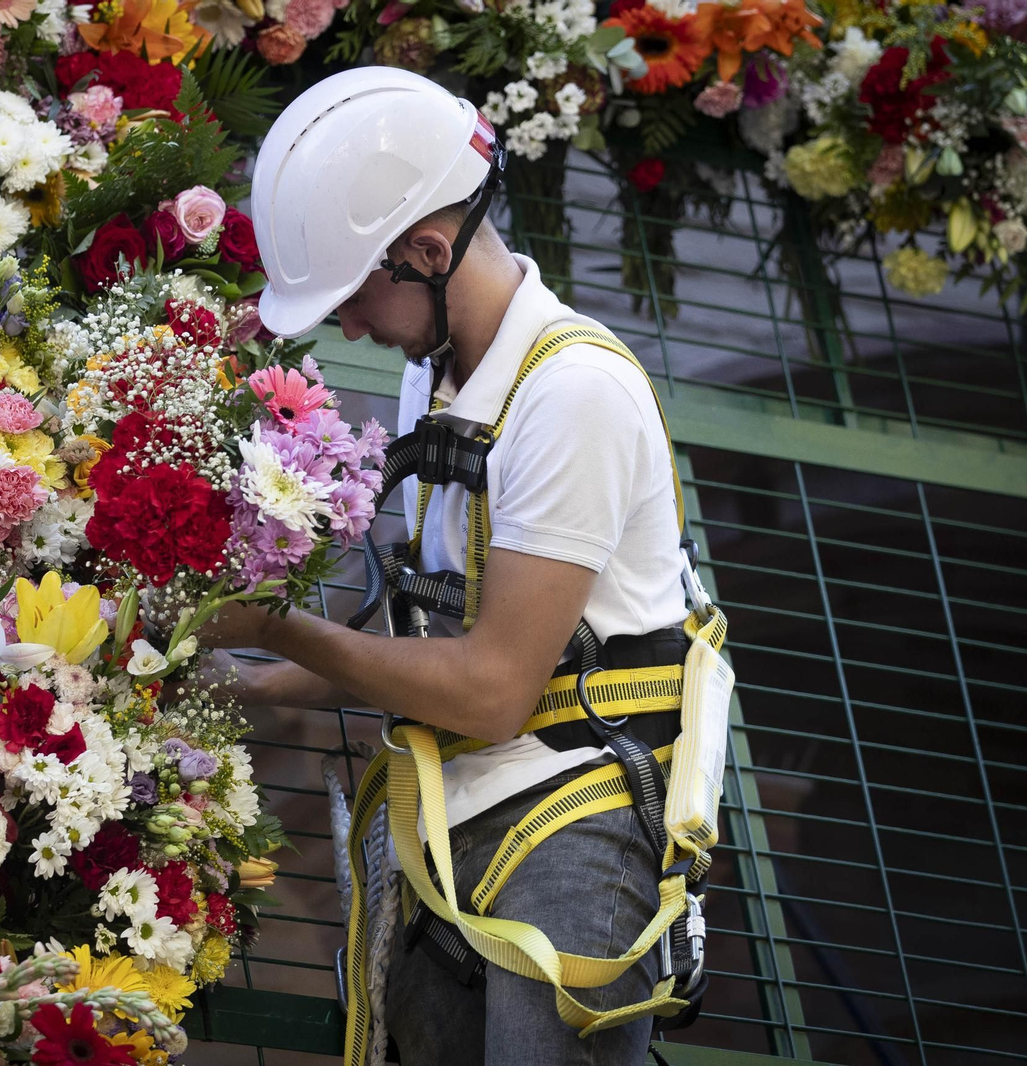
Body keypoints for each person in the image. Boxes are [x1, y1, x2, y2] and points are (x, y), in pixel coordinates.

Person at [197, 68, 707, 1066]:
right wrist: (253, 683)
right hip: (448, 817)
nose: (345, 324)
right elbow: (415, 633)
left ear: (426, 250)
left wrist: (276, 627)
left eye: (352, 295)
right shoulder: (438, 370)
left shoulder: (573, 395)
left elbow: (488, 686)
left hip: (571, 826)